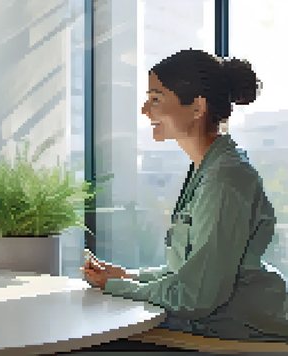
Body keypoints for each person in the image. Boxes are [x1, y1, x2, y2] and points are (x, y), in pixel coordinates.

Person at [83, 49, 288, 341]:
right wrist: (128, 276)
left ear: (197, 107)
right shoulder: (207, 168)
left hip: (241, 331)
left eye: (156, 99)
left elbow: (195, 296)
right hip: (218, 323)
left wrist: (117, 286)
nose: (144, 110)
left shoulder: (224, 178)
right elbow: (192, 272)